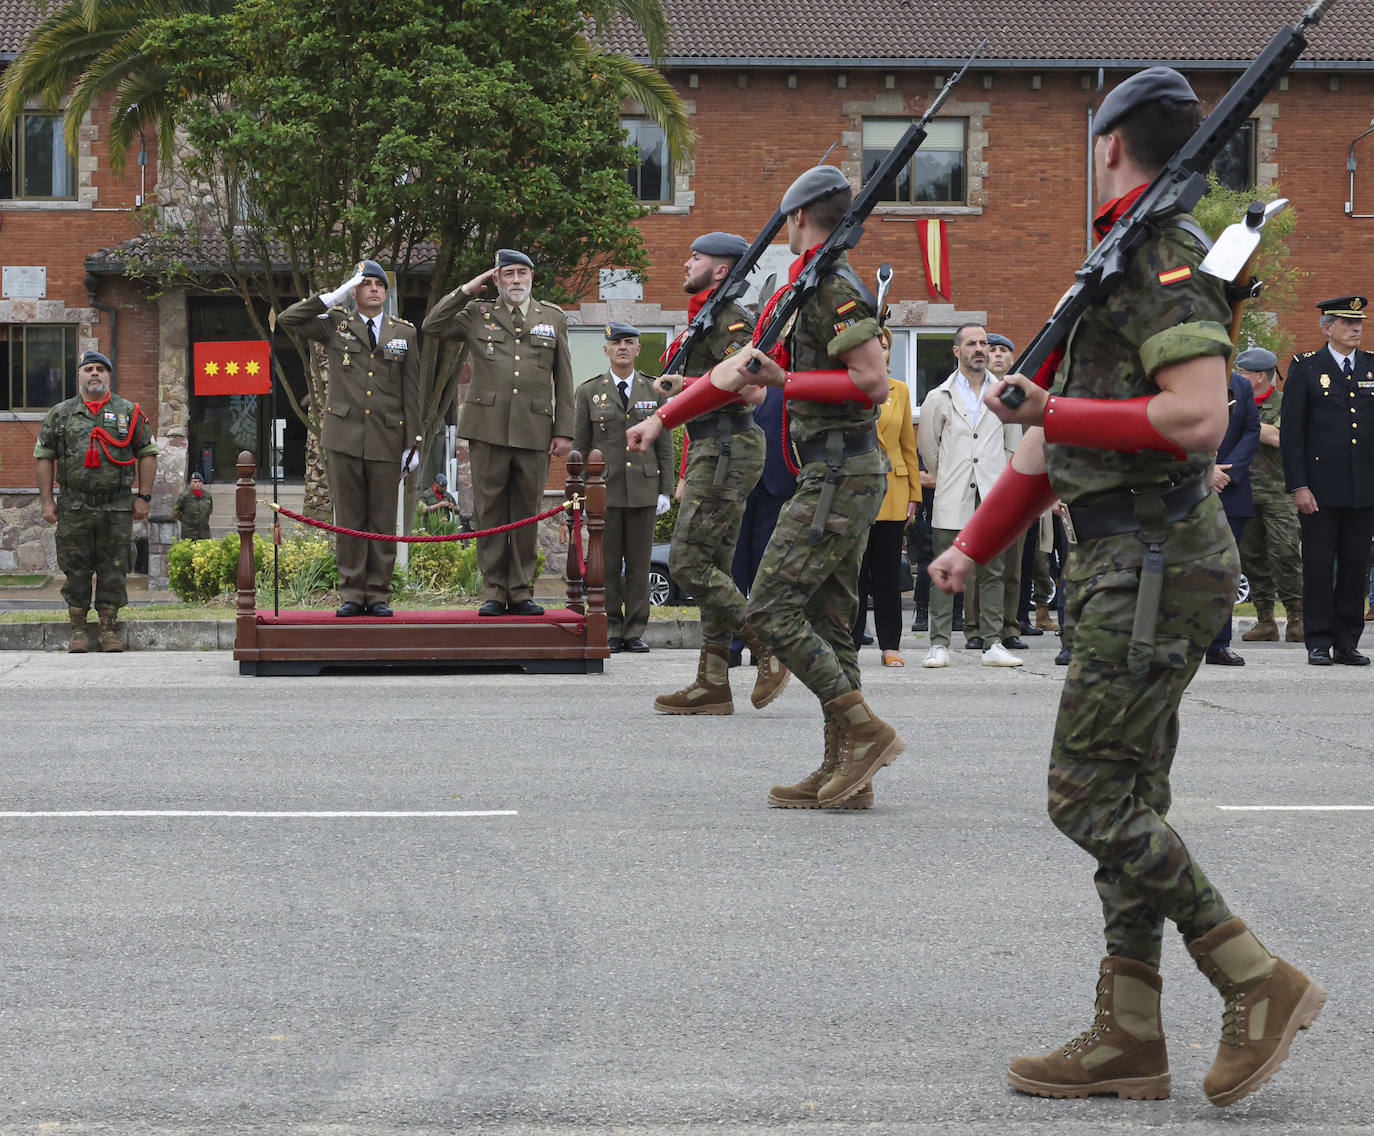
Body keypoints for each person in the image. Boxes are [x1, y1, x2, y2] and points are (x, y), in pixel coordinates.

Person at [929, 67, 1324, 1107]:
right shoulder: (1115, 261)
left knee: (1087, 792)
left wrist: (1049, 413)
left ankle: (1253, 976)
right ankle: (1131, 1032)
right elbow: (1041, 441)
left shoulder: (1162, 253)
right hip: (1128, 556)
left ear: (1109, 145)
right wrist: (973, 544)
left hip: (1152, 563)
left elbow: (1195, 414)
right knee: (1130, 796)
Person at [636, 166, 904, 810]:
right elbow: (740, 375)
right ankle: (844, 768)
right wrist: (662, 418)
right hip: (826, 467)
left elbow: (871, 380)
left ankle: (864, 734)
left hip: (843, 468)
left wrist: (786, 381)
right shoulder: (803, 284)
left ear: (798, 219)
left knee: (767, 609)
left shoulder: (835, 286)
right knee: (831, 621)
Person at [633, 231, 786, 711]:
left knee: (687, 564)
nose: (686, 263)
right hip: (711, 445)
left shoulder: (729, 319)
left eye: (695, 257)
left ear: (721, 271)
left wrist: (687, 383)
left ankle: (768, 645)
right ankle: (713, 682)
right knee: (715, 566)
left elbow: (753, 388)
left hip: (726, 446)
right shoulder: (704, 316)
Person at [422, 248, 573, 617]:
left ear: (532, 278)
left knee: (526, 512)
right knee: (489, 511)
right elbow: (432, 325)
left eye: (522, 273)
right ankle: (493, 590)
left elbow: (564, 377)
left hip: (535, 429)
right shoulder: (478, 314)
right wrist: (467, 290)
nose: (516, 280)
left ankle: (521, 591)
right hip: (487, 429)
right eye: (508, 274)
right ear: (497, 279)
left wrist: (564, 430)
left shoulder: (551, 317)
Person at [279, 259, 421, 618]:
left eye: (379, 284)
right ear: (355, 291)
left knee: (382, 519)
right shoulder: (336, 325)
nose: (374, 289)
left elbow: (411, 390)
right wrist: (329, 298)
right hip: (344, 437)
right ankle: (352, 593)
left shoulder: (404, 333)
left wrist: (412, 442)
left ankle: (378, 595)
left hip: (388, 437)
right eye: (366, 283)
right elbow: (288, 320)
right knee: (351, 519)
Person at [34, 349, 159, 653]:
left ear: (109, 376)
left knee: (114, 569)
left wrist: (143, 496)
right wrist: (47, 501)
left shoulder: (129, 412)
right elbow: (44, 457)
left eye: (100, 370)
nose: (94, 374)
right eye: (88, 368)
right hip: (74, 505)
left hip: (116, 505)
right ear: (78, 375)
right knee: (75, 569)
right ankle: (78, 631)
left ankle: (108, 630)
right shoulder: (61, 413)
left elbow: (147, 453)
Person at [917, 325, 1023, 668]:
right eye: (972, 344)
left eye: (983, 343)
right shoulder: (939, 396)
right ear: (956, 351)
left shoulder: (1006, 392)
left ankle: (993, 643)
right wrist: (947, 475)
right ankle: (939, 643)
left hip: (992, 492)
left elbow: (1014, 446)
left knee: (993, 569)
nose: (980, 349)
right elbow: (929, 448)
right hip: (954, 492)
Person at [1280, 295, 1374, 665]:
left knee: (1355, 566)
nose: (1356, 329)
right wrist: (1299, 485)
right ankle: (1318, 639)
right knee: (1319, 565)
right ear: (1327, 327)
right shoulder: (1306, 367)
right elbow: (1292, 435)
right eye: (1348, 322)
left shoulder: (1370, 366)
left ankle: (1347, 641)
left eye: (1360, 323)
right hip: (1318, 489)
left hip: (1363, 486)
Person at [573, 322, 672, 652]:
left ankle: (635, 631)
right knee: (609, 563)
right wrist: (584, 490)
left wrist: (665, 490)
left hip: (644, 488)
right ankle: (612, 626)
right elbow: (582, 446)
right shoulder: (589, 392)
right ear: (606, 349)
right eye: (616, 343)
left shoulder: (654, 389)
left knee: (640, 564)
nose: (623, 348)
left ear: (638, 348)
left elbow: (665, 443)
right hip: (607, 489)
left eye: (629, 342)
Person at [852, 325, 920, 666]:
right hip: (855, 493)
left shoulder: (901, 390)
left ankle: (890, 646)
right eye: (874, 347)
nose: (881, 352)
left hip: (894, 490)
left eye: (885, 346)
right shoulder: (848, 388)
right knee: (854, 574)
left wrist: (914, 496)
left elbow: (908, 445)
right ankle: (849, 642)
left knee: (888, 575)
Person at [963, 332, 1028, 651]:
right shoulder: (971, 394)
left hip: (1014, 486)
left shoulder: (1025, 393)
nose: (998, 355)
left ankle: (1008, 626)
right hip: (979, 486)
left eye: (1005, 350)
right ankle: (975, 628)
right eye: (993, 350)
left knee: (1012, 564)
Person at [1236, 348, 1303, 644]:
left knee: (1286, 554)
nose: (1237, 378)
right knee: (1252, 558)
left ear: (1260, 376)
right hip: (1245, 492)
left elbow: (1279, 438)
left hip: (1279, 492)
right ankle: (1265, 620)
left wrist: (1245, 417)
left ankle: (1297, 619)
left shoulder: (1285, 403)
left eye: (1242, 374)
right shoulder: (1235, 403)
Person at [730, 383, 797, 666]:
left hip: (775, 487)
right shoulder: (725, 388)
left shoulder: (783, 393)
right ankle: (732, 644)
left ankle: (763, 645)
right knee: (734, 571)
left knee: (765, 571)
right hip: (736, 487)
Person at [1205, 367, 1261, 664]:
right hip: (1185, 488)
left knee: (1226, 570)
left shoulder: (1240, 385)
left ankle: (1218, 643)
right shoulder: (1176, 379)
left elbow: (1252, 430)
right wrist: (1203, 471)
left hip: (1231, 489)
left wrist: (1228, 472)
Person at [173, 470, 213, 541]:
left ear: (202, 483)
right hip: (189, 533)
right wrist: (185, 520)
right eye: (195, 482)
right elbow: (176, 511)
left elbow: (210, 510)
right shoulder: (185, 496)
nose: (197, 484)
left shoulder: (207, 496)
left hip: (204, 532)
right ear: (191, 483)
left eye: (199, 482)